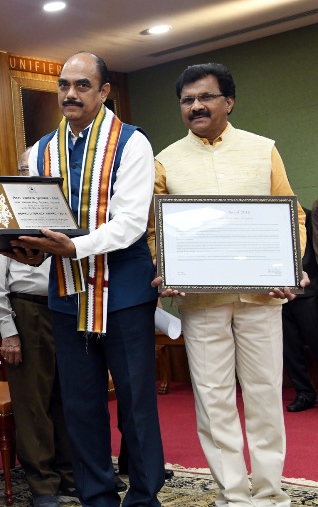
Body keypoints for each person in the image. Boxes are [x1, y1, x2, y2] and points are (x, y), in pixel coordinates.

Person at [9, 52, 165, 507]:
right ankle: (96, 495)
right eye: (63, 85)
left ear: (104, 92)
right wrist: (26, 249)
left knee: (135, 403)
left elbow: (132, 221)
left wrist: (73, 247)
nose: (70, 94)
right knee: (79, 405)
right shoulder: (40, 150)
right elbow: (38, 219)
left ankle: (142, 496)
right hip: (67, 294)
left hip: (125, 294)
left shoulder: (132, 143)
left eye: (81, 85)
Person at [149, 62, 308, 507]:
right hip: (201, 301)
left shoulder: (263, 150)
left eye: (205, 97)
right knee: (213, 401)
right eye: (187, 100)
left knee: (264, 396)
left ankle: (271, 494)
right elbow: (155, 231)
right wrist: (165, 267)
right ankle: (233, 497)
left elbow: (290, 214)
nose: (195, 106)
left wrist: (289, 265)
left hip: (262, 297)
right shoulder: (167, 160)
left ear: (228, 101)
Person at [0, 149, 75, 507]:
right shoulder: (6, 214)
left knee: (67, 398)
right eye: (23, 169)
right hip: (27, 310)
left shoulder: (62, 210)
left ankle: (69, 473)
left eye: (36, 169)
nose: (29, 175)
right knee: (32, 402)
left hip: (66, 308)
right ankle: (42, 484)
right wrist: (7, 329)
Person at [283, 206, 318, 412]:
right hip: (278, 296)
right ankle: (304, 393)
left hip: (308, 292)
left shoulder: (304, 215)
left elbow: (309, 254)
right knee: (289, 348)